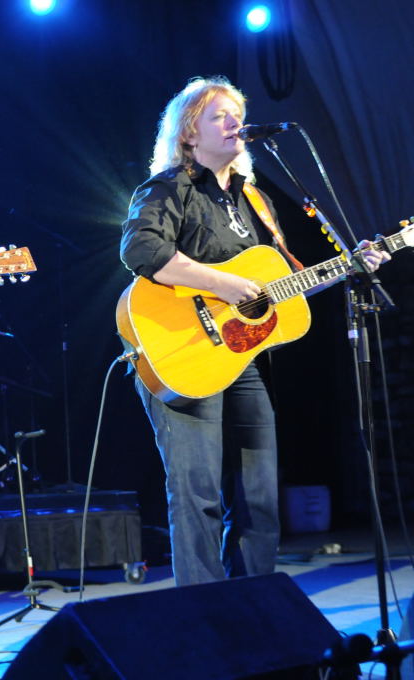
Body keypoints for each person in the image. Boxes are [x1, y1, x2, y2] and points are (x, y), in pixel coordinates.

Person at [119, 76, 389, 586]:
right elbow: (142, 251)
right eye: (219, 115)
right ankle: (203, 612)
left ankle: (256, 602)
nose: (234, 122)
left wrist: (349, 266)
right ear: (189, 133)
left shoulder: (254, 200)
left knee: (259, 494)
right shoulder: (167, 188)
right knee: (197, 493)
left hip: (240, 358)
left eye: (237, 114)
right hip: (181, 350)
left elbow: (281, 284)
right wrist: (223, 282)